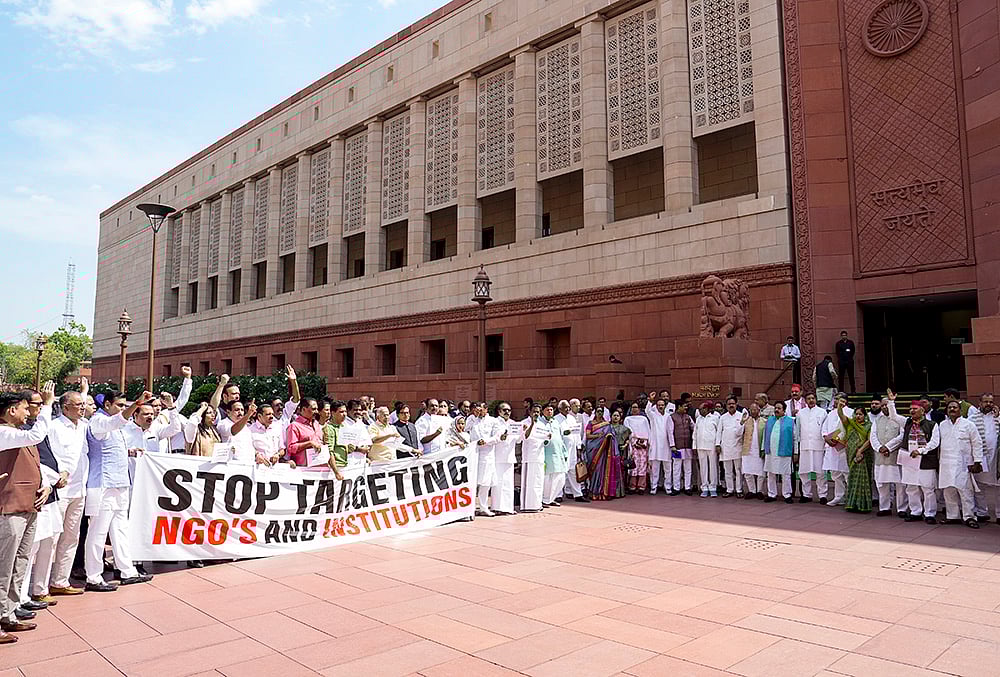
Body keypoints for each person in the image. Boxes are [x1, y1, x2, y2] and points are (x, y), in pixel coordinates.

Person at [0, 384, 55, 642]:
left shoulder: (19, 433)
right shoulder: (4, 432)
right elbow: (37, 435)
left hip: (29, 505)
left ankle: (8, 613)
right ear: (12, 410)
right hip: (10, 507)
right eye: (25, 408)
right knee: (4, 565)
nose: (29, 412)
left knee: (19, 562)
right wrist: (47, 405)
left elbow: (36, 462)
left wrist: (46, 483)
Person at [84, 390, 154, 592]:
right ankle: (93, 576)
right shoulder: (98, 421)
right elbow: (115, 422)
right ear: (107, 404)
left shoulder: (117, 425)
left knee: (121, 529)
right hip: (103, 484)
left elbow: (113, 446)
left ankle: (127, 571)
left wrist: (129, 452)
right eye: (119, 405)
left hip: (120, 483)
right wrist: (137, 404)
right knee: (98, 532)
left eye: (125, 405)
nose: (123, 409)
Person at [40, 389, 89, 597]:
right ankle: (40, 587)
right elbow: (46, 454)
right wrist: (58, 474)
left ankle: (60, 581)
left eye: (83, 404)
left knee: (71, 537)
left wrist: (84, 392)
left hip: (79, 489)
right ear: (66, 407)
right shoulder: (54, 426)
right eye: (78, 405)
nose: (82, 408)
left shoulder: (84, 426)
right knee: (51, 538)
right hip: (59, 489)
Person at [889, 400, 940, 524]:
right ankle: (915, 512)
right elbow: (893, 416)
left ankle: (929, 514)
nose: (912, 411)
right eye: (910, 409)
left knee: (928, 489)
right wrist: (891, 402)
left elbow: (934, 442)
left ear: (922, 411)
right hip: (909, 460)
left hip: (926, 460)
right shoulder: (907, 422)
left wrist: (921, 451)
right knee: (911, 488)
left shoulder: (932, 424)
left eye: (915, 409)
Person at [937, 400, 983, 528]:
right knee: (948, 491)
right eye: (950, 407)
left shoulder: (969, 424)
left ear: (960, 410)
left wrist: (977, 461)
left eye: (955, 407)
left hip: (963, 464)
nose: (952, 409)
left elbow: (977, 443)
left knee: (966, 491)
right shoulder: (942, 425)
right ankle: (953, 516)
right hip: (946, 463)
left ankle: (969, 517)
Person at [868, 392, 908, 517]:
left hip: (895, 457)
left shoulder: (900, 420)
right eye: (883, 405)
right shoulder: (877, 420)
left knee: (900, 485)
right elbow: (873, 436)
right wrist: (879, 448)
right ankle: (884, 507)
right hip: (880, 457)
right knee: (882, 484)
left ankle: (902, 509)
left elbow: (901, 436)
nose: (885, 407)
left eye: (887, 405)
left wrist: (888, 447)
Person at [837, 400, 872, 513]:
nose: (858, 416)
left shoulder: (869, 426)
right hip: (851, 455)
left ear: (865, 415)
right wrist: (840, 407)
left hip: (863, 455)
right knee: (852, 478)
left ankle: (863, 505)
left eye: (860, 414)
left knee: (862, 479)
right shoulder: (850, 423)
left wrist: (860, 451)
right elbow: (841, 415)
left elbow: (869, 440)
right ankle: (852, 504)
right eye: (856, 414)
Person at [968, 393, 999, 522]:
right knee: (979, 485)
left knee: (998, 486)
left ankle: (999, 514)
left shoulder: (998, 417)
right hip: (981, 456)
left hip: (996, 457)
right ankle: (982, 512)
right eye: (985, 402)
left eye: (991, 402)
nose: (988, 404)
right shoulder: (972, 419)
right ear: (980, 403)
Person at [468, 403, 501, 515]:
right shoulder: (472, 419)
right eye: (477, 410)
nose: (479, 412)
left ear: (486, 409)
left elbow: (497, 437)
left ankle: (483, 507)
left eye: (481, 410)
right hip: (473, 454)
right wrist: (473, 417)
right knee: (472, 481)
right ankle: (470, 507)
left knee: (485, 483)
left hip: (487, 455)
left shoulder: (493, 421)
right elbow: (465, 430)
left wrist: (486, 441)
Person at [795, 393, 828, 503]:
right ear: (805, 400)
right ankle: (806, 494)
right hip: (804, 445)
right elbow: (797, 430)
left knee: (820, 472)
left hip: (818, 445)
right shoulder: (800, 413)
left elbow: (825, 429)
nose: (811, 400)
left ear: (816, 399)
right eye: (808, 398)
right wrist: (797, 447)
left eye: (813, 398)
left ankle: (822, 495)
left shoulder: (822, 412)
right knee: (803, 472)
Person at [584, 409, 625, 500]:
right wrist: (598, 436)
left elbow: (613, 437)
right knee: (595, 471)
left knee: (603, 471)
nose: (599, 413)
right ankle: (594, 492)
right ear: (595, 413)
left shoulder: (607, 424)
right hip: (593, 450)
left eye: (601, 412)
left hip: (604, 451)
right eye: (598, 411)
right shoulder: (591, 423)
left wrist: (608, 437)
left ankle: (603, 492)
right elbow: (588, 435)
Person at [821, 393, 851, 507]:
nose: (836, 401)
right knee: (835, 474)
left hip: (844, 447)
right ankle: (839, 497)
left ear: (845, 401)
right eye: (836, 399)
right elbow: (824, 429)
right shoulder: (831, 413)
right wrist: (826, 438)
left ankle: (850, 497)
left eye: (839, 399)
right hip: (832, 447)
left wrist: (840, 440)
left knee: (847, 474)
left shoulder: (851, 412)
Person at [555, 400, 588, 503]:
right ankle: (558, 495)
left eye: (568, 407)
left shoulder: (571, 418)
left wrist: (579, 446)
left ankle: (578, 494)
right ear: (560, 409)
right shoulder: (556, 420)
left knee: (574, 472)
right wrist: (565, 433)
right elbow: (556, 435)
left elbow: (577, 433)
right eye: (565, 407)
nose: (568, 409)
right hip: (563, 450)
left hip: (573, 449)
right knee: (562, 473)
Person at [763, 401, 795, 503]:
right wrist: (763, 448)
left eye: (779, 408)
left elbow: (795, 438)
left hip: (784, 451)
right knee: (770, 473)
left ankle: (787, 495)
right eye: (775, 408)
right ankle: (771, 494)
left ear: (784, 410)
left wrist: (796, 452)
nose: (776, 410)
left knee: (785, 474)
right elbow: (765, 435)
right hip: (771, 452)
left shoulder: (790, 421)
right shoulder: (770, 420)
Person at [539, 404, 568, 507]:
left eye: (551, 410)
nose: (550, 411)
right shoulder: (539, 423)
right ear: (543, 411)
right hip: (547, 455)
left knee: (560, 478)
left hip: (559, 453)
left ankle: (551, 498)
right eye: (547, 410)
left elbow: (560, 438)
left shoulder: (555, 422)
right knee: (548, 479)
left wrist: (565, 452)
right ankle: (545, 500)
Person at [491, 402, 517, 515]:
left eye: (509, 410)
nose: (507, 412)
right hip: (498, 456)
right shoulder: (495, 422)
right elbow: (493, 437)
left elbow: (519, 439)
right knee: (498, 483)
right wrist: (500, 437)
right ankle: (497, 507)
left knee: (508, 484)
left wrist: (524, 430)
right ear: (499, 411)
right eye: (504, 410)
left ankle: (508, 508)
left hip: (509, 457)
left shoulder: (514, 424)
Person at [715, 397, 743, 497]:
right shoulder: (723, 417)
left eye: (733, 403)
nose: (731, 405)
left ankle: (739, 490)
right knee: (727, 470)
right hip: (726, 447)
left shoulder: (741, 416)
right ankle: (729, 489)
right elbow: (719, 431)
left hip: (738, 447)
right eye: (729, 404)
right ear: (726, 406)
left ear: (736, 404)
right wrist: (717, 444)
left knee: (738, 470)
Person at [520, 404, 546, 512]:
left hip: (539, 457)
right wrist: (532, 423)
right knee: (529, 483)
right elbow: (525, 436)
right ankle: (527, 506)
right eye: (534, 411)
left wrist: (548, 438)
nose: (536, 414)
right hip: (529, 457)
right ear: (530, 412)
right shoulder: (524, 423)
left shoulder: (542, 424)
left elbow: (545, 438)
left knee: (538, 482)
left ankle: (537, 504)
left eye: (538, 412)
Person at [646, 398, 674, 495]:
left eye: (662, 405)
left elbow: (670, 431)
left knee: (668, 468)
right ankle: (654, 486)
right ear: (656, 406)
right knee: (655, 469)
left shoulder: (668, 416)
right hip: (655, 446)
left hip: (666, 445)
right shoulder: (653, 416)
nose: (660, 406)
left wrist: (672, 444)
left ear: (665, 406)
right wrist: (650, 401)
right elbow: (647, 411)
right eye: (659, 405)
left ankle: (668, 486)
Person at [693, 401, 720, 497]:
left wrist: (717, 444)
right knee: (703, 467)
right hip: (700, 445)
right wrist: (694, 446)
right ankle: (704, 487)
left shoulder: (715, 418)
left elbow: (718, 432)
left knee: (713, 467)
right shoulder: (698, 419)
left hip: (711, 446)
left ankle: (713, 487)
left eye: (701, 409)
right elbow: (695, 433)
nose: (699, 411)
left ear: (707, 409)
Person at [285, 398, 323, 467]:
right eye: (313, 409)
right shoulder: (294, 426)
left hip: (319, 465)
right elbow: (291, 448)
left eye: (317, 409)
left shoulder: (316, 424)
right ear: (304, 409)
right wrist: (309, 443)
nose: (316, 412)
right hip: (303, 468)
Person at [740, 402, 766, 499]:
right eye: (751, 410)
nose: (753, 411)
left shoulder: (764, 421)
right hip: (748, 449)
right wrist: (742, 422)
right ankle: (751, 490)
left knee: (761, 472)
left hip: (759, 450)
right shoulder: (746, 421)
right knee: (748, 471)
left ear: (759, 411)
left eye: (755, 410)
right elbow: (738, 433)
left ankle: (759, 491)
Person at [623, 403, 650, 494]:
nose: (634, 409)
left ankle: (641, 486)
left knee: (642, 465)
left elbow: (647, 431)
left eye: (636, 407)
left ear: (639, 409)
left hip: (643, 445)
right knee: (633, 466)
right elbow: (627, 431)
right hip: (632, 445)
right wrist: (634, 442)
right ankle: (632, 486)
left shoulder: (644, 419)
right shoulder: (627, 419)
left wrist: (644, 443)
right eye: (633, 407)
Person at [669, 402, 695, 495]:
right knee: (677, 468)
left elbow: (694, 428)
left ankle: (687, 487)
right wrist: (672, 445)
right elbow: (670, 432)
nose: (686, 408)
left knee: (688, 468)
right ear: (679, 406)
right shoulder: (672, 417)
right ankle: (676, 488)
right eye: (684, 406)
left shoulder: (688, 417)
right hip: (677, 447)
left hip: (688, 446)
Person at [321, 401, 349, 480]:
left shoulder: (344, 427)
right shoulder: (329, 428)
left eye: (345, 411)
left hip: (345, 465)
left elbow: (349, 448)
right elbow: (329, 451)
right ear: (333, 413)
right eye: (341, 412)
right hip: (334, 468)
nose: (344, 414)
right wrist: (336, 472)